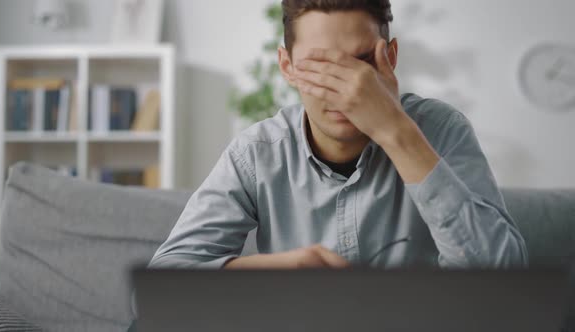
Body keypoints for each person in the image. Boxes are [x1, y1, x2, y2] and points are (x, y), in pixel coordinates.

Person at [149, 0, 528, 270]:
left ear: (391, 58)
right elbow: (164, 283)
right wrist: (275, 273)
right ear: (288, 66)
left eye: (361, 63)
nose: (346, 89)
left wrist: (395, 131)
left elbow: (503, 281)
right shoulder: (257, 154)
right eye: (319, 65)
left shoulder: (441, 130)